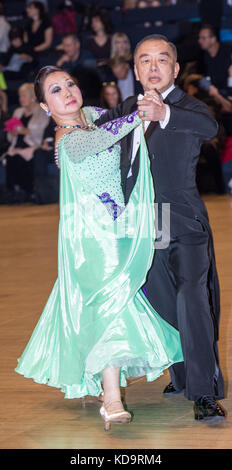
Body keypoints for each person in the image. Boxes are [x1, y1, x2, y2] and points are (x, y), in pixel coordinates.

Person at [15, 65, 183, 431]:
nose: (68, 92)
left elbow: (115, 126)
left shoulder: (93, 116)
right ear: (45, 106)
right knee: (111, 311)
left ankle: (112, 387)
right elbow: (109, 134)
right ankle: (111, 399)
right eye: (55, 90)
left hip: (122, 230)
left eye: (70, 84)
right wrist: (142, 109)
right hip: (93, 242)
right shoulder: (68, 140)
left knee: (121, 307)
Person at [95, 34, 226, 422]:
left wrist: (164, 115)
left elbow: (210, 128)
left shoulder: (189, 108)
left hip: (182, 219)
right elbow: (90, 140)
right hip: (143, 227)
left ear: (174, 68)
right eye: (145, 61)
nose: (153, 67)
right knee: (164, 304)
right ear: (135, 70)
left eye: (161, 60)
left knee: (192, 298)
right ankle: (183, 373)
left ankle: (204, 392)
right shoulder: (120, 111)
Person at [5, 82, 49, 203]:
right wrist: (12, 133)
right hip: (17, 145)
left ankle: (29, 192)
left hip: (32, 145)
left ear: (33, 97)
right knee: (10, 158)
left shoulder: (42, 111)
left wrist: (27, 131)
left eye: (24, 96)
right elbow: (10, 135)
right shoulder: (18, 112)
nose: (21, 99)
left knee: (22, 158)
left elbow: (42, 131)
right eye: (20, 96)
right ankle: (15, 191)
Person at [198, 24, 232, 94]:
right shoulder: (206, 55)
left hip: (228, 92)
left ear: (213, 39)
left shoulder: (228, 53)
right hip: (216, 91)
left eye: (203, 38)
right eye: (199, 38)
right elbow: (209, 75)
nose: (199, 41)